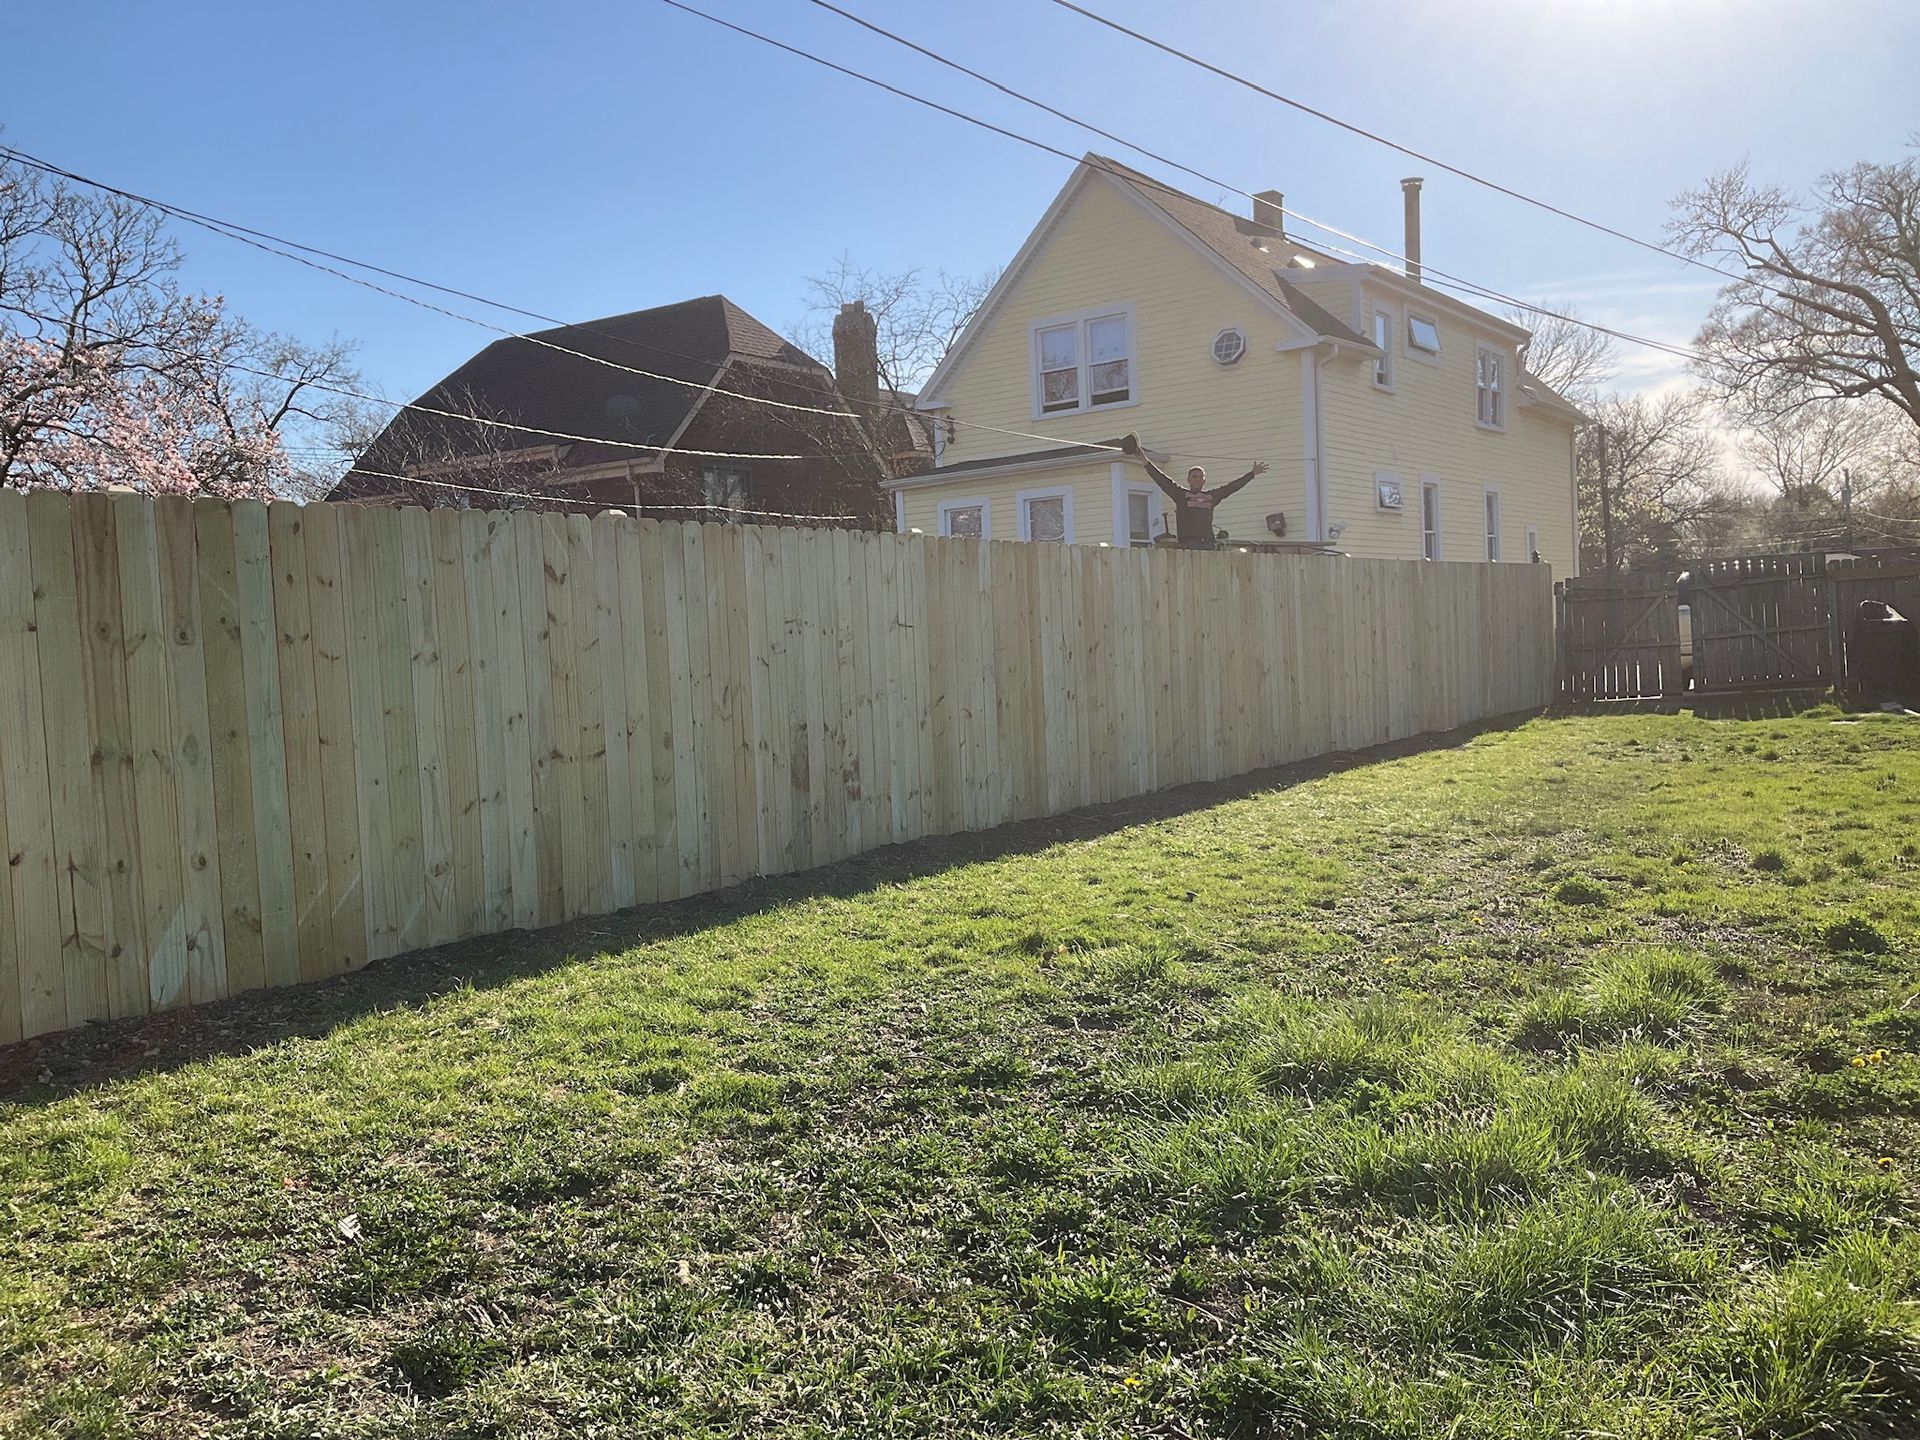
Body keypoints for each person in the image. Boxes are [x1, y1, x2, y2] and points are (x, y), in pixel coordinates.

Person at [1120, 434, 1268, 549]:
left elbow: (1230, 488)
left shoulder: (1211, 497)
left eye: (1200, 477)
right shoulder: (1181, 495)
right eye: (1194, 476)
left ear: (1204, 480)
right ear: (1188, 480)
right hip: (1188, 545)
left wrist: (1251, 474)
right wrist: (1144, 460)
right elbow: (1161, 479)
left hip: (1209, 544)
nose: (1197, 479)